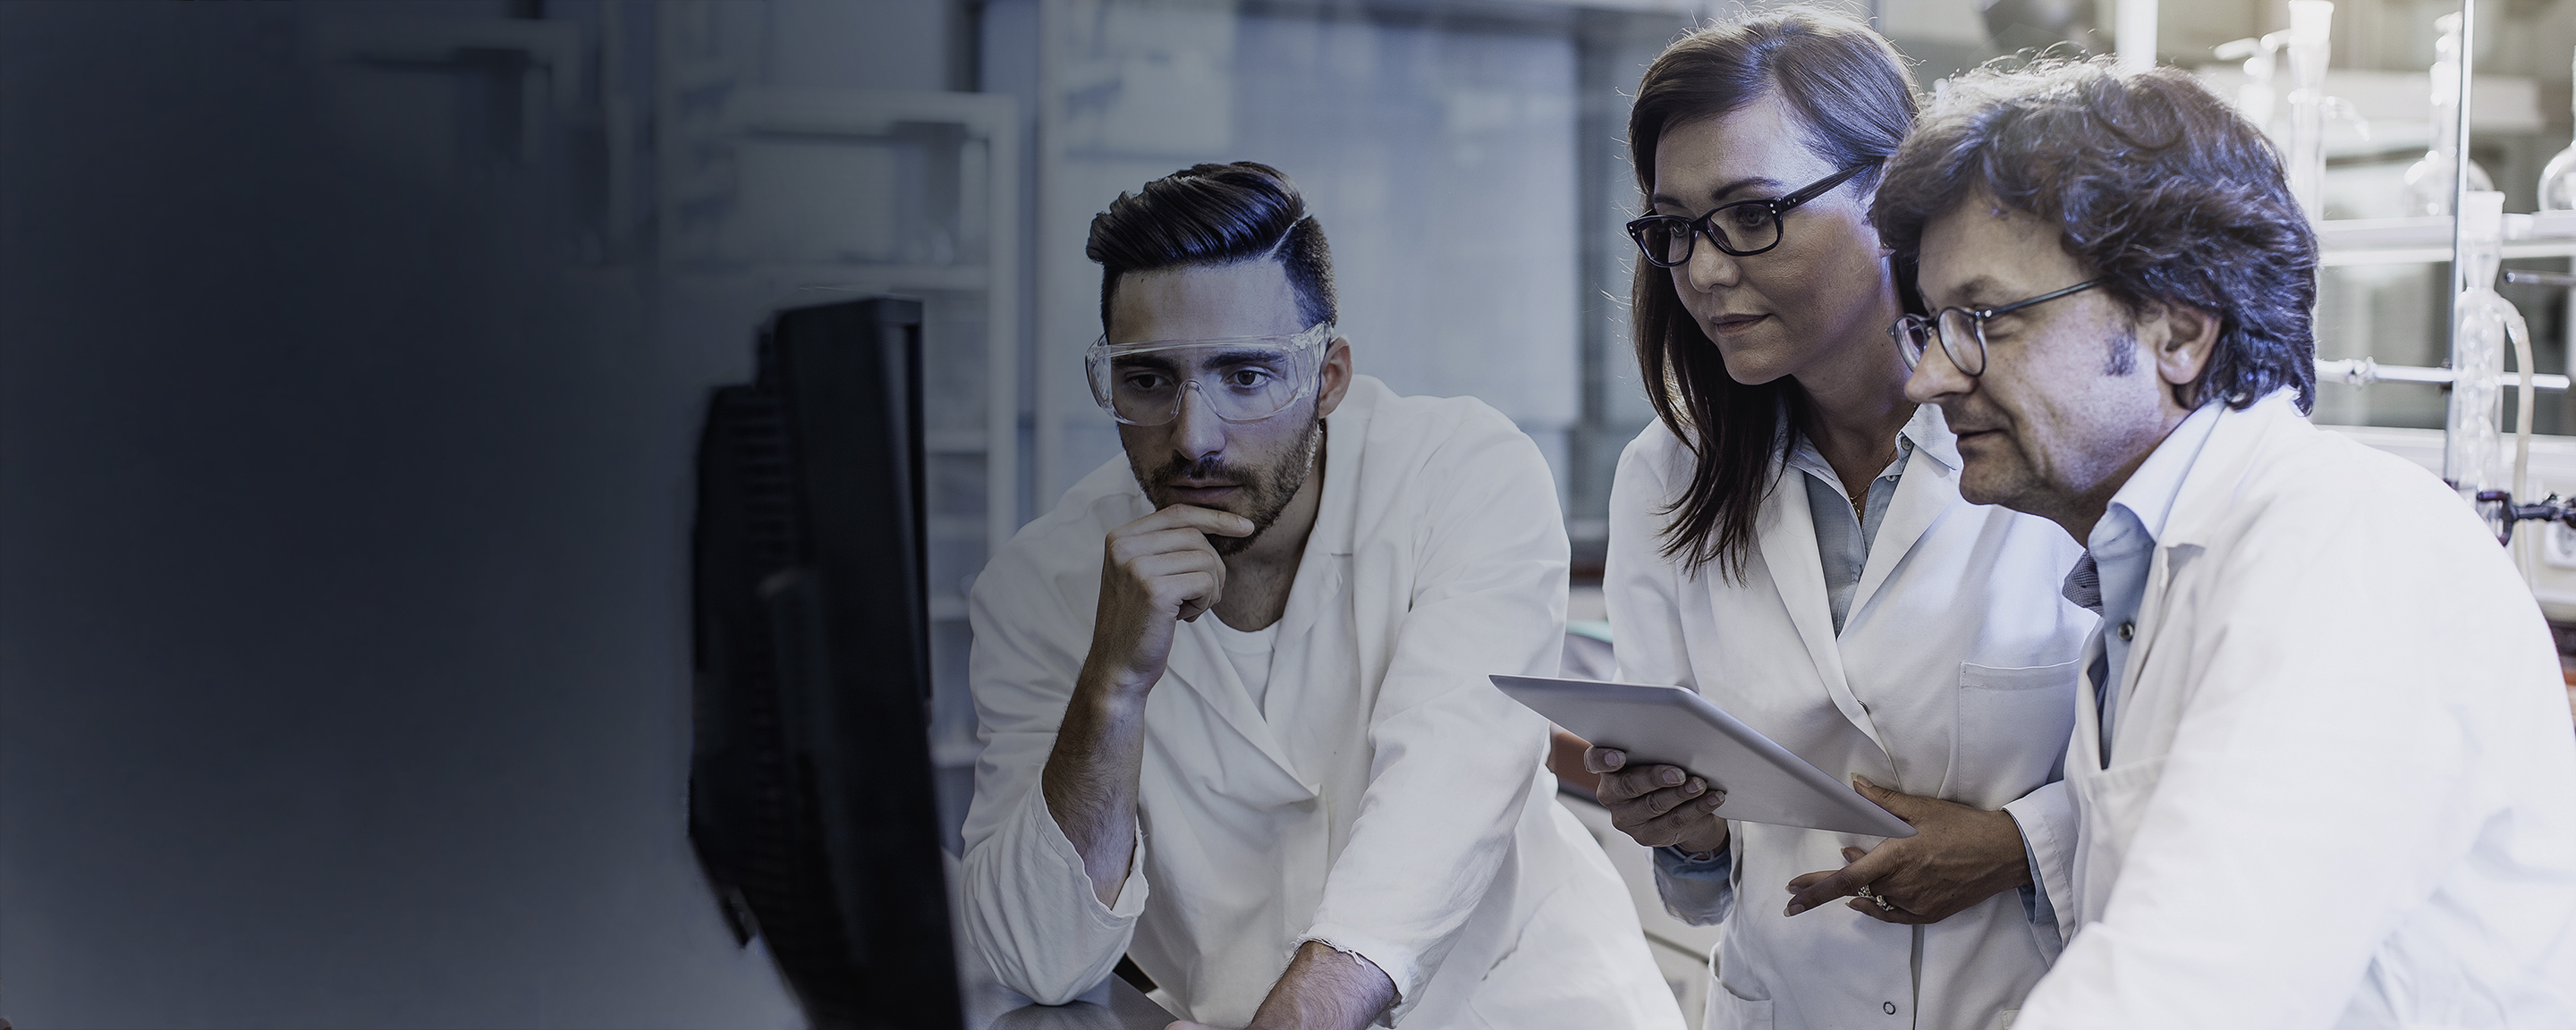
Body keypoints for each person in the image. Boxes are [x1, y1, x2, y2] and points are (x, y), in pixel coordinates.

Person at [1876, 58, 2576, 1026]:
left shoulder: (2346, 545)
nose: (1930, 381)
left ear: (2180, 332)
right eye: (1931, 327)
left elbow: (2185, 990)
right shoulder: (2145, 582)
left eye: (1984, 320)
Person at [957, 162, 1682, 1030]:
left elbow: (1443, 792)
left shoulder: (1462, 474)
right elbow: (1039, 955)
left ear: (1328, 376)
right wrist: (1111, 684)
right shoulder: (1040, 586)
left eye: (1247, 376)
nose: (1194, 438)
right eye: (1149, 380)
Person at [1583, 10, 2097, 1029]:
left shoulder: (2054, 438)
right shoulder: (1668, 475)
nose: (1706, 270)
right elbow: (1706, 881)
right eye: (1676, 227)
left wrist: (2016, 848)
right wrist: (1681, 834)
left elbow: (2194, 784)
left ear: (1891, 197)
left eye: (1752, 214)